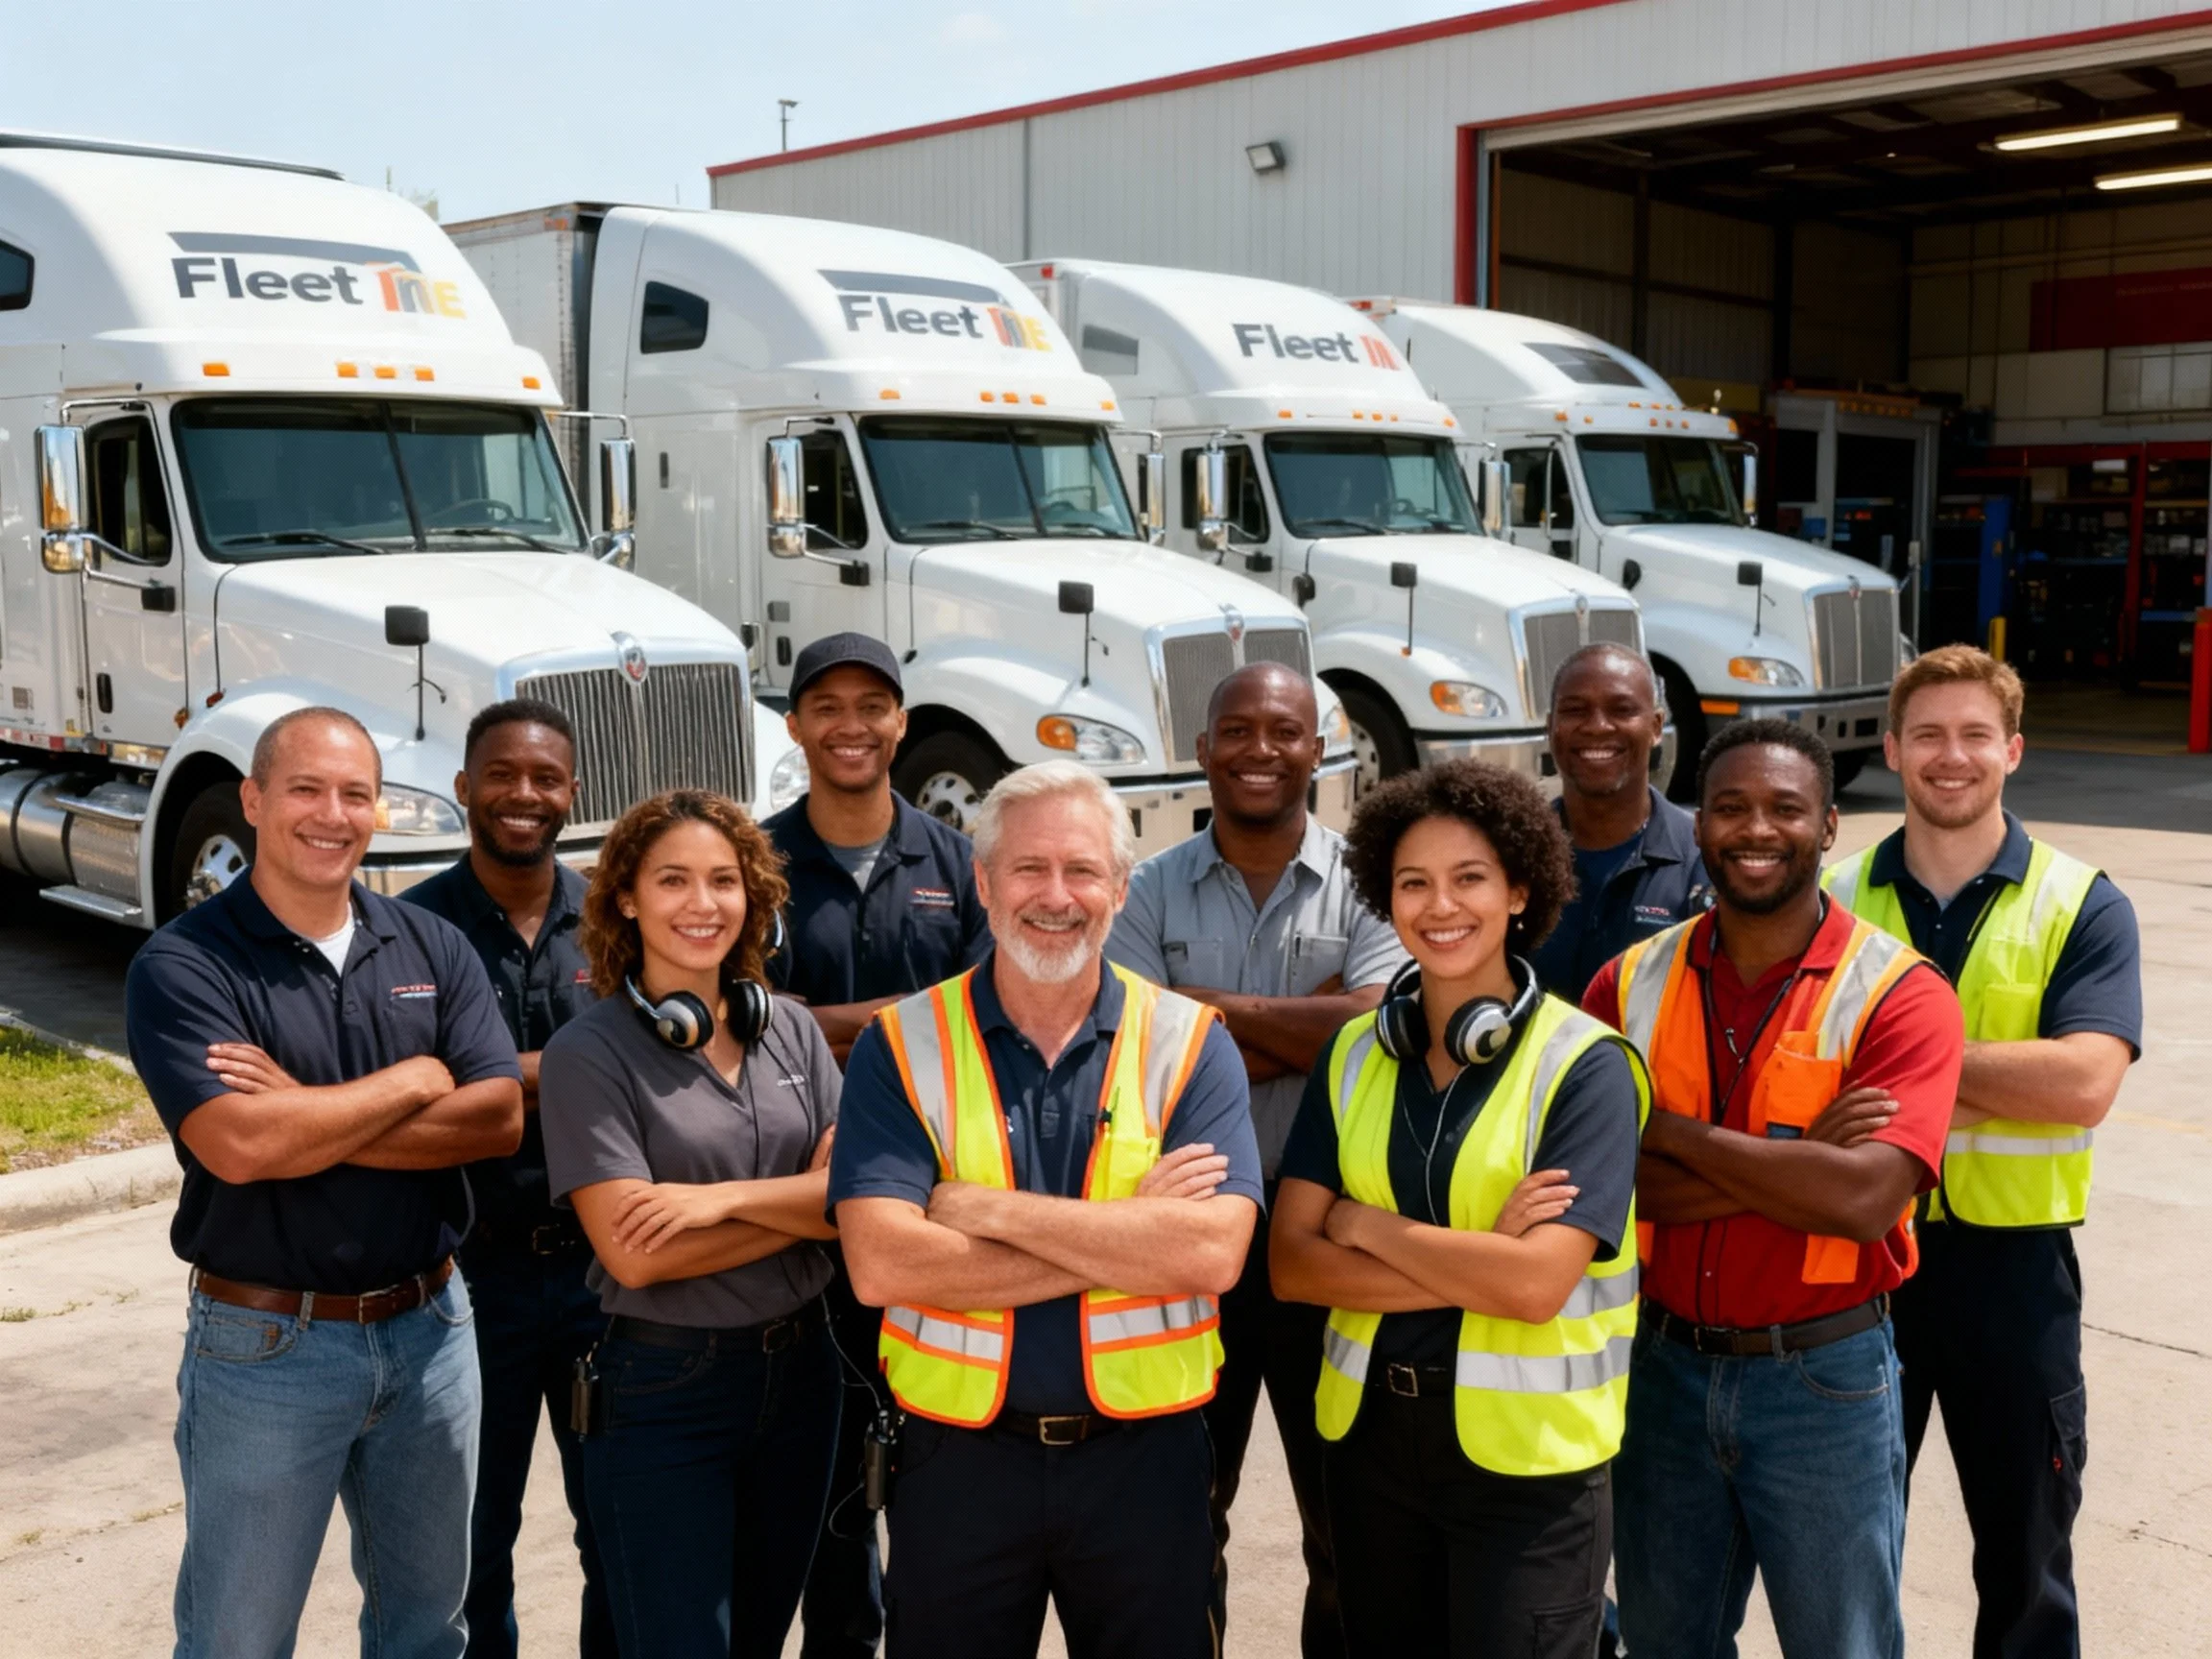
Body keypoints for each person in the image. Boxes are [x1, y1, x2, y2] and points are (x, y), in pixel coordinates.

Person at [830, 761, 1262, 1659]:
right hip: (959, 1469)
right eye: (1028, 869)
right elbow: (882, 1266)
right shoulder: (900, 1045)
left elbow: (1214, 1254)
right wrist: (1133, 1234)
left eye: (1081, 870)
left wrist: (981, 1208)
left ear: (1120, 888)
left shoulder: (1190, 1043)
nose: (1055, 896)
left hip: (1146, 1464)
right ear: (983, 883)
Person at [123, 706, 524, 1659]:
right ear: (254, 800)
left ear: (379, 812)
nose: (330, 814)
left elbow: (498, 1118)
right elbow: (240, 1147)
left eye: (355, 794)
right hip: (269, 1347)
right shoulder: (185, 965)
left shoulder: (430, 945)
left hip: (432, 1332)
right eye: (304, 788)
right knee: (240, 1638)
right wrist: (413, 1083)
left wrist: (304, 1113)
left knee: (428, 1632)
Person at [1582, 719, 1965, 1659]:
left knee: (1844, 1646)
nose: (1758, 828)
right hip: (1660, 1372)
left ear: (1829, 826)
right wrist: (1797, 1166)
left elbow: (1866, 1202)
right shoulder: (1624, 983)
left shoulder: (1903, 994)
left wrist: (1664, 1133)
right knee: (1668, 1643)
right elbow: (1603, 1190)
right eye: (1732, 807)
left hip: (1824, 1383)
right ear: (1699, 823)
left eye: (1786, 809)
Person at [1270, 759, 1649, 1659]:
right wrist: (1478, 1254)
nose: (1440, 906)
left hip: (1528, 1469)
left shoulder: (1585, 1065)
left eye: (1469, 878)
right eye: (1414, 883)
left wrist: (1366, 1228)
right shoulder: (1357, 1053)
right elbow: (1291, 1264)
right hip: (1368, 1452)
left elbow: (1533, 1287)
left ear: (1520, 888)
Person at [1823, 646, 2138, 1659]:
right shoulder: (1828, 899)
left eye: (1972, 737)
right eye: (1927, 735)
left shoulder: (2081, 901)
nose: (1949, 757)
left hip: (2015, 1275)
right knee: (1841, 1550)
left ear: (2012, 751)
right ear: (1890, 749)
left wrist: (1903, 1061)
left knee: (2026, 1556)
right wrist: (2004, 1067)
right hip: (1858, 1266)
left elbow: (2083, 1083)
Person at [1106, 661, 1403, 1658]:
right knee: (1185, 1518)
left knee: (1348, 1523)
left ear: (1321, 750)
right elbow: (1133, 1046)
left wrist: (1207, 1022)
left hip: (1325, 1243)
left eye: (1286, 731)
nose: (1261, 750)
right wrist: (1311, 1020)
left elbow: (1375, 1031)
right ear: (1201, 751)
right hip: (1189, 1242)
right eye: (1237, 729)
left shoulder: (1374, 879)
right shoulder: (1145, 888)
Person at [540, 790, 844, 1659]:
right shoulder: (586, 1055)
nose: (702, 904)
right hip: (664, 1388)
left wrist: (716, 1202)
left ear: (752, 896)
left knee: (757, 1640)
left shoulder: (790, 1030)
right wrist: (806, 1209)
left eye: (723, 880)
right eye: (673, 880)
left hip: (802, 1377)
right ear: (627, 898)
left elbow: (859, 1199)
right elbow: (634, 1259)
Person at [765, 633, 991, 1659]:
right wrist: (906, 1013)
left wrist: (813, 1019)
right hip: (798, 1216)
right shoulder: (753, 866)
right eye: (826, 705)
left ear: (903, 721)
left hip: (940, 1216)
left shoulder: (959, 865)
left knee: (940, 1473)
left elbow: (988, 1016)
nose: (850, 725)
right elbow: (738, 1021)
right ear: (794, 725)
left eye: (873, 704)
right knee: (826, 1492)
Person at [402, 697, 613, 1659]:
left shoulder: (618, 929)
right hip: (464, 1284)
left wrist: (480, 1081)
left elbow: (649, 1076)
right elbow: (402, 1102)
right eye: (501, 774)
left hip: (599, 1278)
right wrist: (576, 1065)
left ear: (572, 793)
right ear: (463, 789)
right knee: (468, 1543)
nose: (522, 795)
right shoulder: (407, 934)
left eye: (544, 778)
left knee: (616, 1528)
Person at [1529, 642, 1709, 1000]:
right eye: (1575, 710)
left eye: (1622, 710)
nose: (1597, 727)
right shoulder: (1512, 854)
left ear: (1656, 727)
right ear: (1551, 728)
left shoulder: (1701, 857)